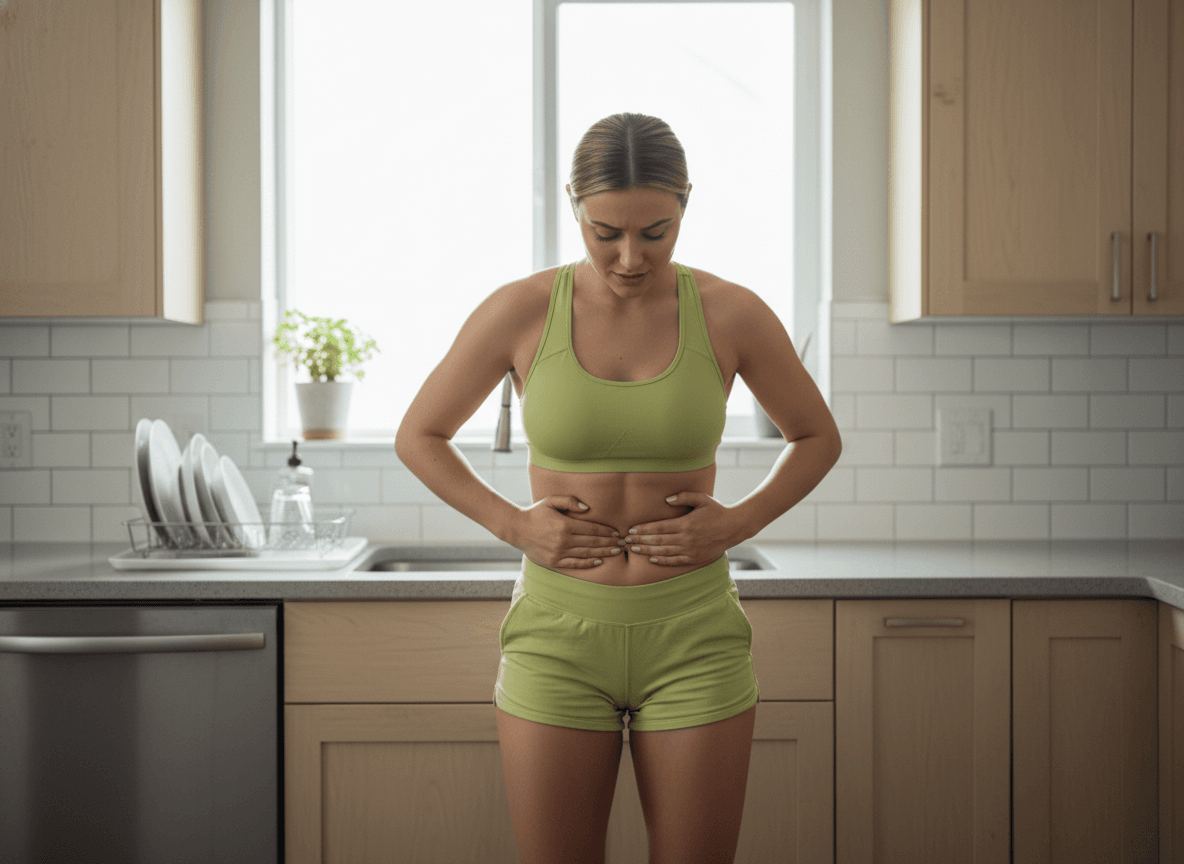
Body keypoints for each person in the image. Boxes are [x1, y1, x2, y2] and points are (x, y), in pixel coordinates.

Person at [395, 112, 841, 864]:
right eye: (605, 233)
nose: (630, 257)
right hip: (556, 637)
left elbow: (817, 437)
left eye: (655, 232)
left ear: (686, 205)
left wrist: (736, 524)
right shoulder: (522, 309)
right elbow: (420, 435)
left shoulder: (732, 311)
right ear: (573, 204)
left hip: (694, 633)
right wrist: (515, 526)